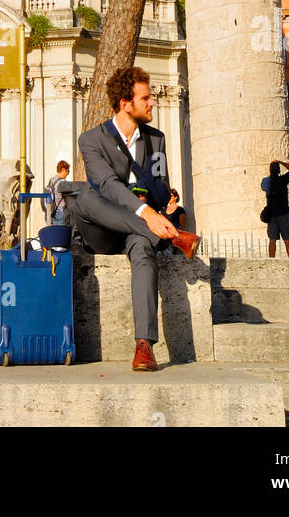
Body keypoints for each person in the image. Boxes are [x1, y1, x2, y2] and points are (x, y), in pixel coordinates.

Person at [70, 66, 198, 373]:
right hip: (101, 228)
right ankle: (173, 237)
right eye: (145, 98)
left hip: (138, 229)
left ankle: (144, 346)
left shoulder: (156, 140)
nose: (152, 102)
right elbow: (107, 185)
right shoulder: (91, 139)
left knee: (142, 248)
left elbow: (160, 184)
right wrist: (147, 214)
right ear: (126, 104)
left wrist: (152, 202)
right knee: (86, 197)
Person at [261, 159, 289, 258]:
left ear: (270, 170)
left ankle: (272, 261)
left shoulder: (265, 181)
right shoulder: (283, 179)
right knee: (287, 241)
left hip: (271, 215)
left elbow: (263, 188)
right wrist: (281, 162)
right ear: (279, 170)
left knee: (272, 240)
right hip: (283, 214)